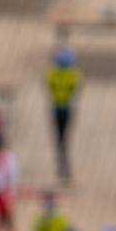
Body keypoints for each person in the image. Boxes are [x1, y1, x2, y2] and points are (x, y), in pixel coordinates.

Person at [46, 44, 83, 183]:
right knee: (65, 136)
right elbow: (76, 88)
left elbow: (49, 86)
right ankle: (64, 163)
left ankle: (61, 162)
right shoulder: (73, 75)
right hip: (67, 108)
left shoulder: (52, 74)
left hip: (56, 108)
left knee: (59, 137)